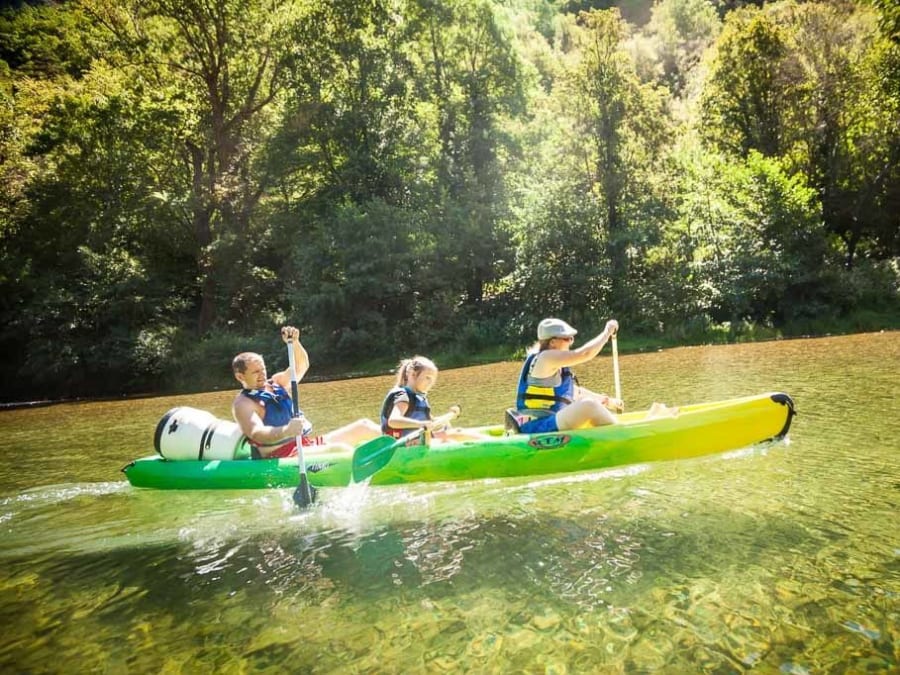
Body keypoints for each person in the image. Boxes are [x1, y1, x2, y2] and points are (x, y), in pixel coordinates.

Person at [232, 326, 381, 459]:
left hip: (305, 444)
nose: (262, 375)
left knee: (364, 426)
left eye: (263, 369)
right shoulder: (244, 403)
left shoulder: (277, 382)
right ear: (240, 376)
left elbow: (301, 366)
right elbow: (257, 433)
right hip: (281, 455)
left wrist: (295, 343)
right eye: (256, 372)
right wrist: (286, 430)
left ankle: (402, 446)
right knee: (338, 450)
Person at [513, 317, 676, 435]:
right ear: (552, 342)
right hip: (537, 426)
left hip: (551, 421)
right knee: (588, 406)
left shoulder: (555, 366)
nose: (571, 342)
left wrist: (607, 401)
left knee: (589, 404)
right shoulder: (545, 357)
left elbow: (574, 392)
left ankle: (624, 429)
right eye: (567, 339)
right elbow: (585, 353)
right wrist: (607, 332)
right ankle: (632, 433)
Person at [380, 356, 484, 443]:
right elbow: (393, 421)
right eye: (428, 378)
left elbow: (431, 422)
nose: (431, 383)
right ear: (412, 374)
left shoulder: (419, 397)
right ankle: (497, 447)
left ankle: (494, 443)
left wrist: (448, 416)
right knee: (453, 435)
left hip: (418, 441)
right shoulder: (402, 395)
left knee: (455, 432)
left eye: (433, 380)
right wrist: (421, 424)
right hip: (403, 446)